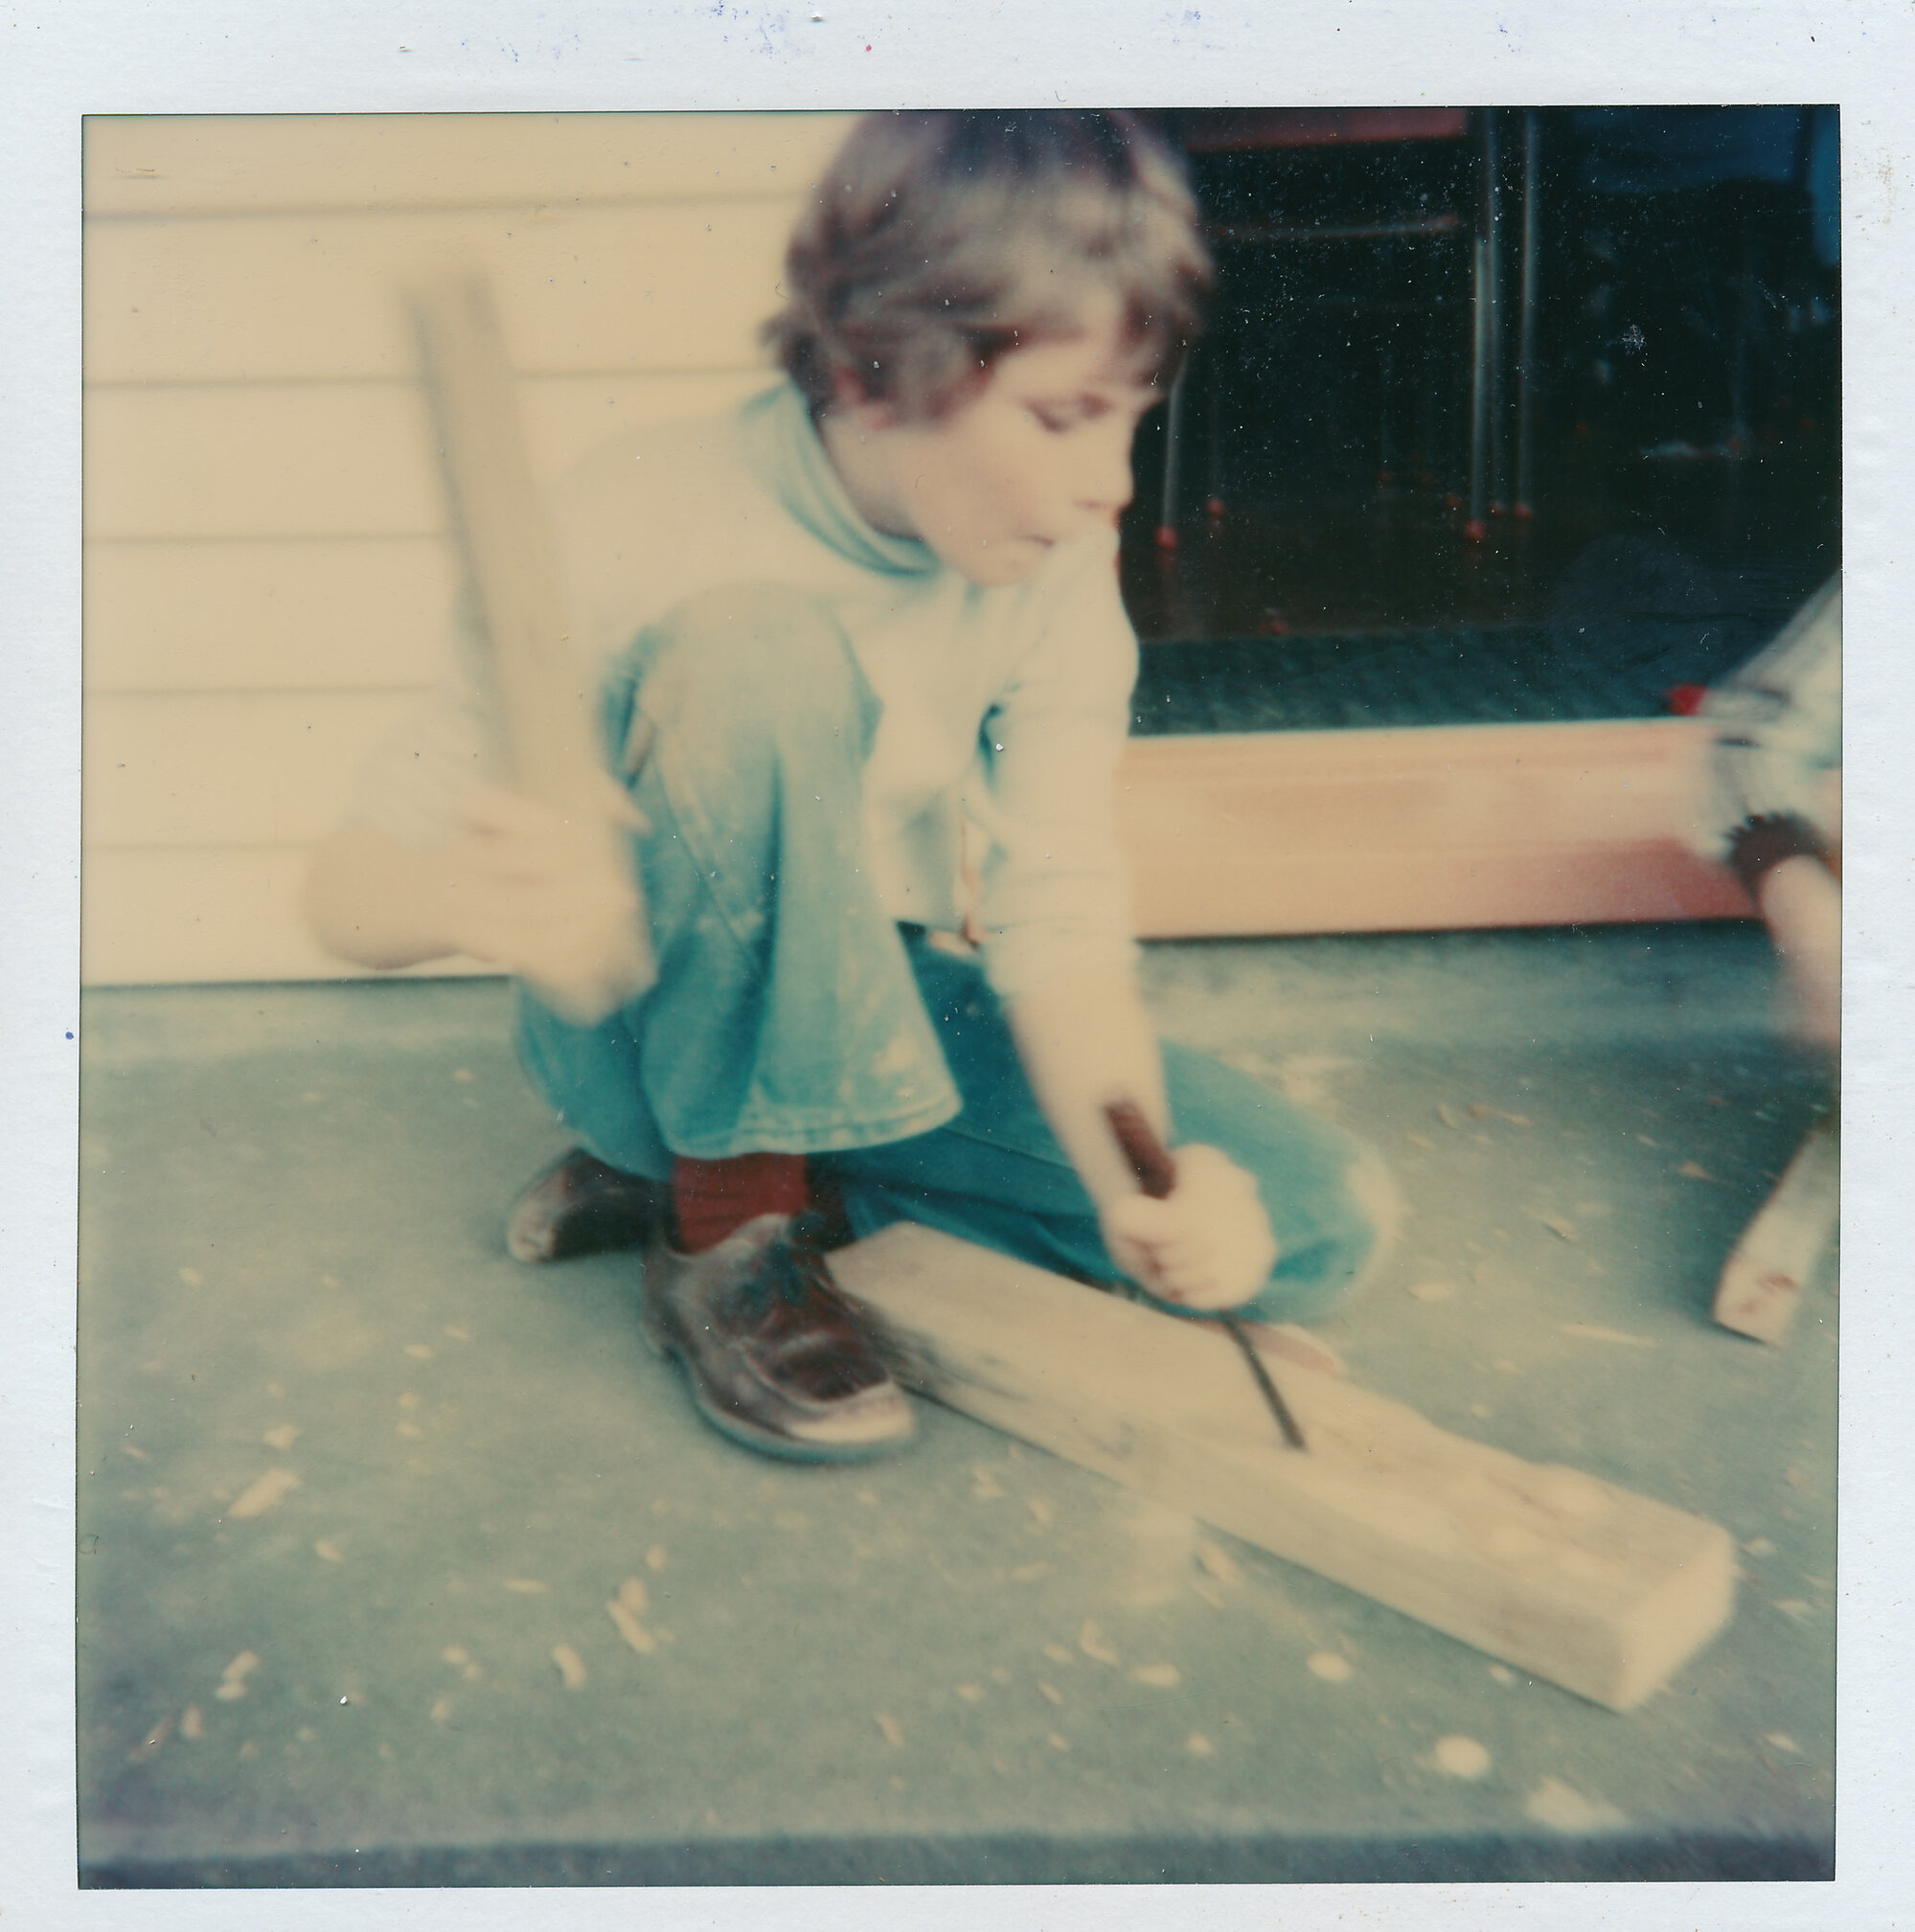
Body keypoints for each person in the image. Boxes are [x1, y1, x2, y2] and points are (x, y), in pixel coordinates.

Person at [304, 111, 1397, 1464]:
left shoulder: (1052, 572)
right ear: (880, 373)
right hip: (642, 1020)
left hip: (869, 994)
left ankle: (761, 1179)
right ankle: (722, 1224)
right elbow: (343, 887)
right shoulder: (628, 515)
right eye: (1063, 417)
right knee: (756, 648)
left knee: (1324, 1215)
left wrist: (1142, 1190)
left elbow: (1057, 922)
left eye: (1129, 422)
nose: (1106, 486)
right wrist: (464, 893)